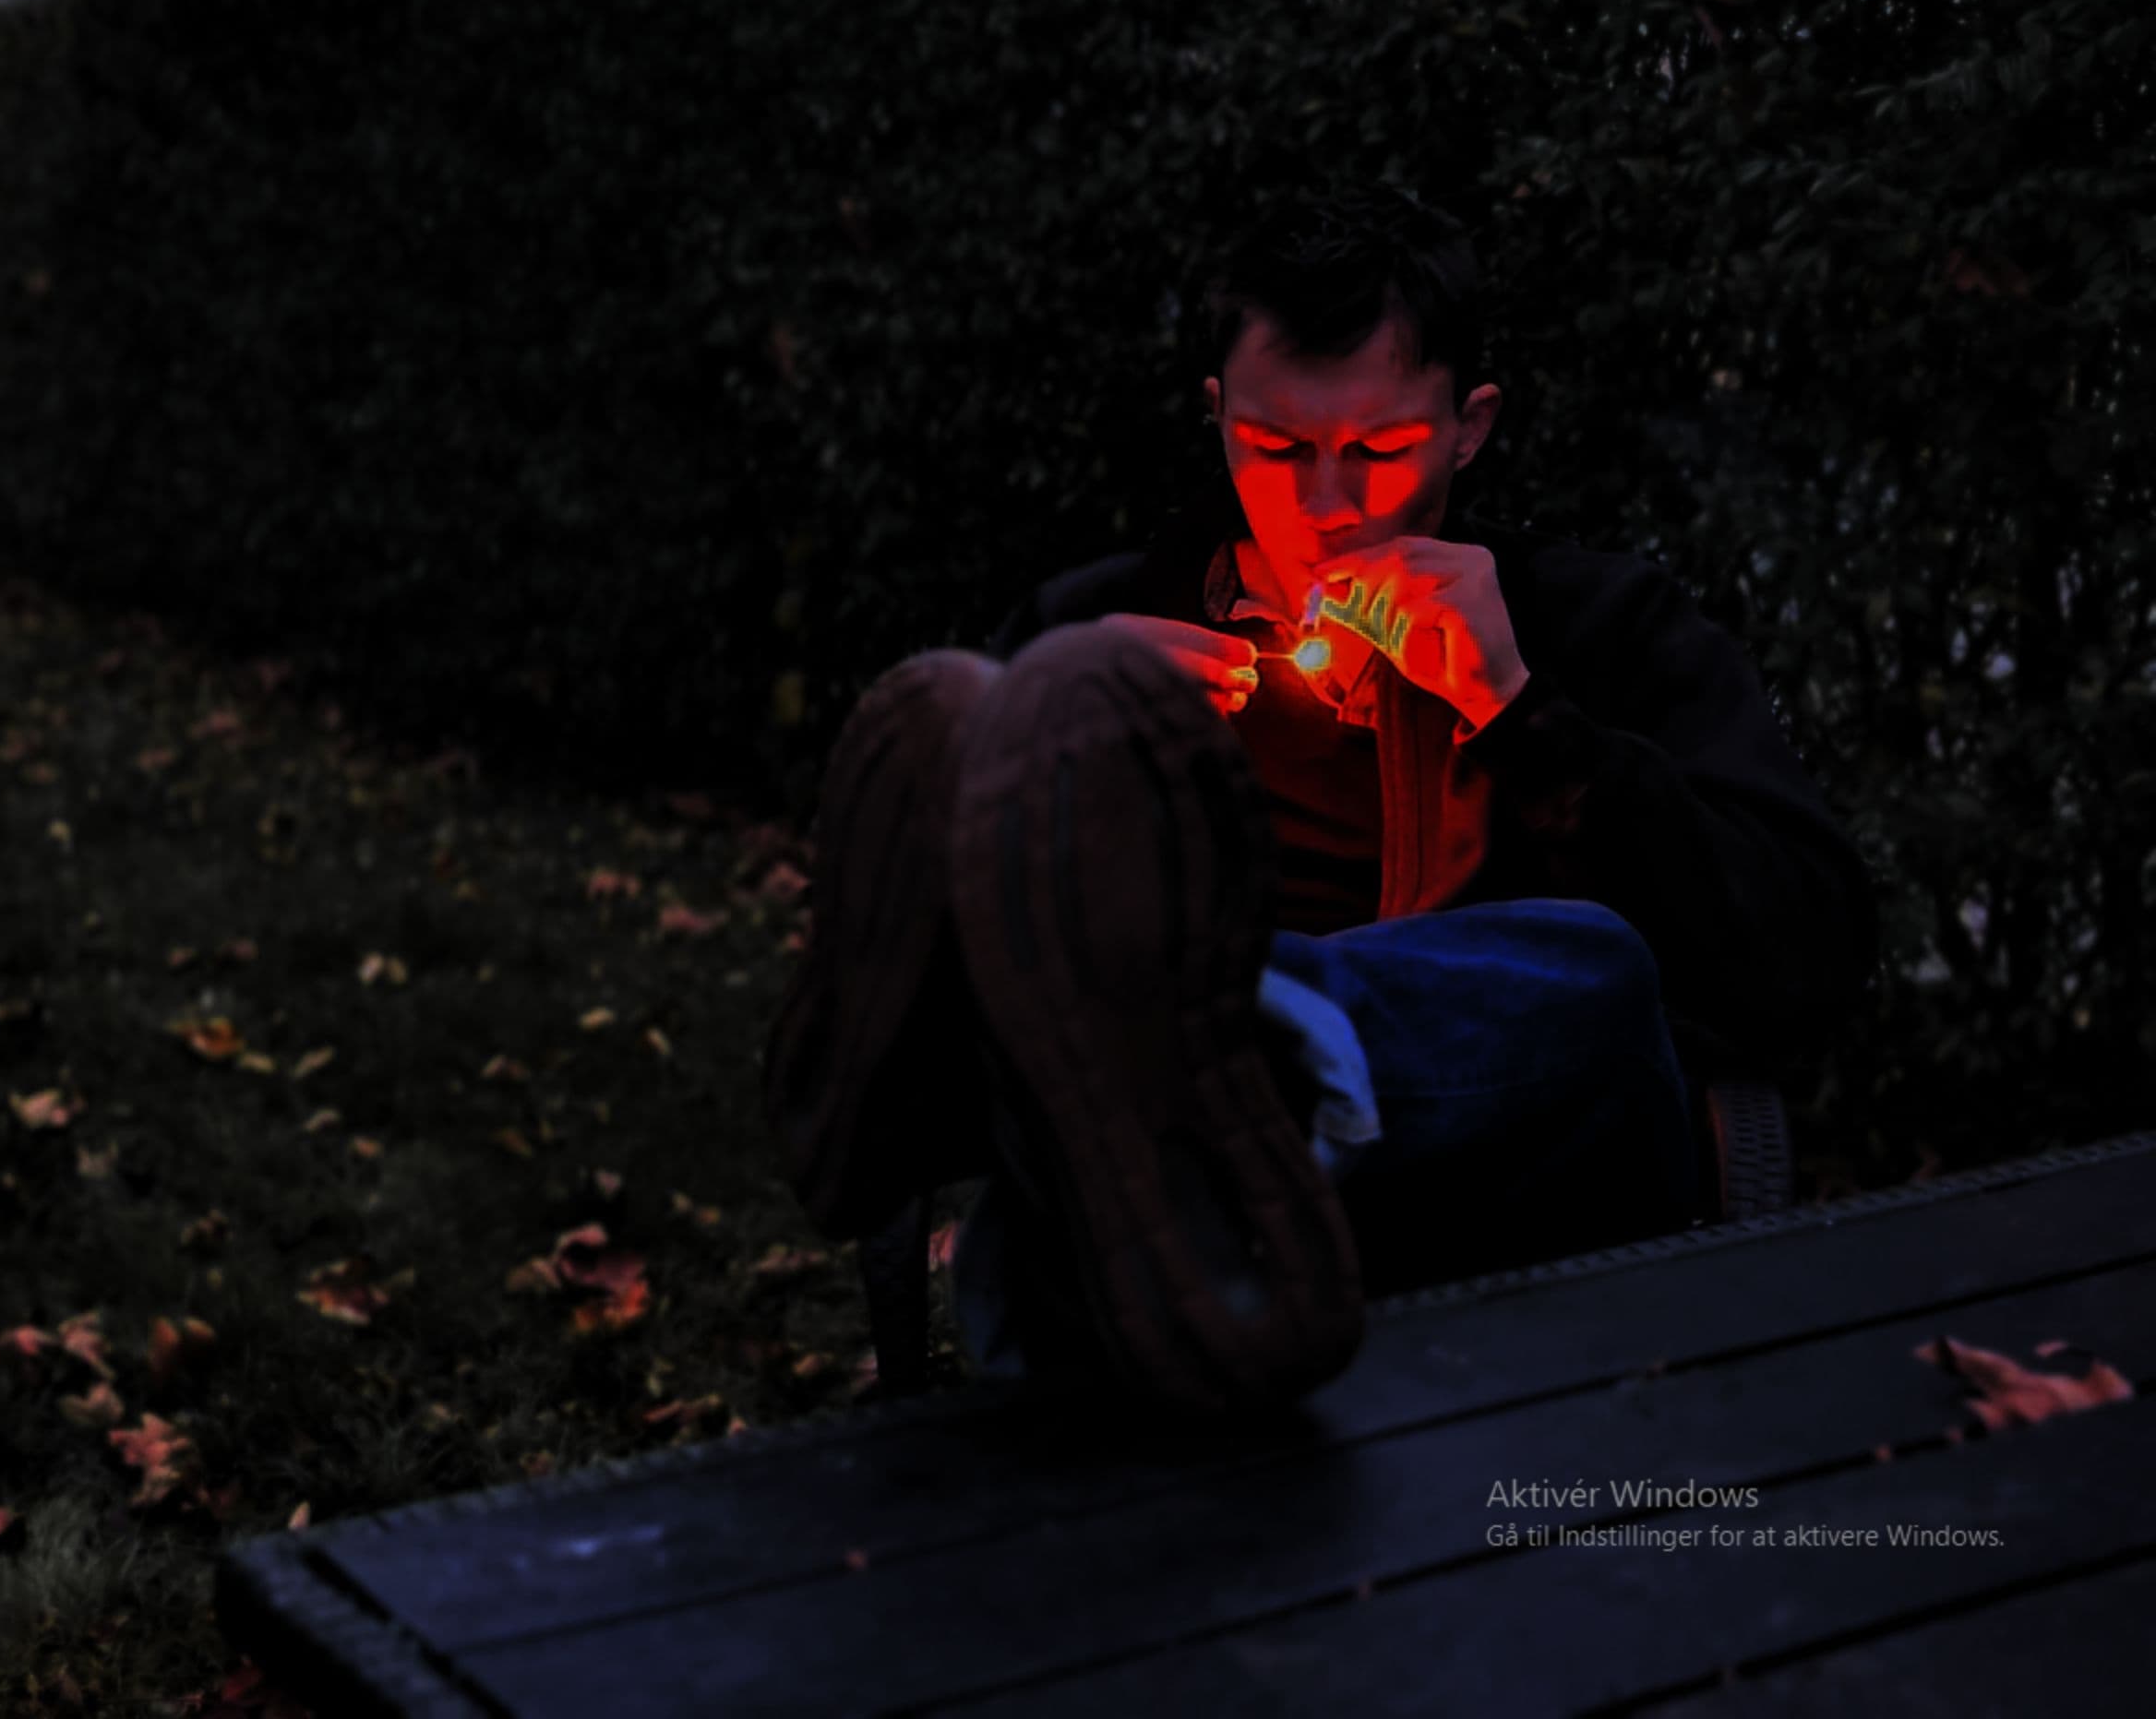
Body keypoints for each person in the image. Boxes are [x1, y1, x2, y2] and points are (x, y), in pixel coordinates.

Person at [762, 181, 1880, 1412]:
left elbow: (1811, 961)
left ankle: (1195, 1053)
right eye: (1279, 450)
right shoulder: (1098, 637)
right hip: (1165, 1263)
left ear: (1469, 427)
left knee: (1594, 969)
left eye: (1382, 452)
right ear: (1218, 418)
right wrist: (1082, 769)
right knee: (1021, 790)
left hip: (1516, 1224)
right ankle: (1171, 1094)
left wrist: (1528, 721)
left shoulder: (1600, 628)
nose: (1328, 508)